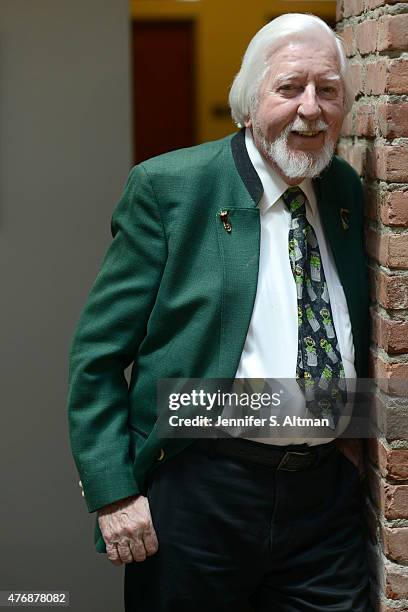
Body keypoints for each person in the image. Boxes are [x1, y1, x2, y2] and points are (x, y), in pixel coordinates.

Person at [68, 12, 371, 611]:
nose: (311, 109)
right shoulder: (170, 188)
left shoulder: (342, 191)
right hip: (202, 490)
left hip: (323, 505)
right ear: (248, 100)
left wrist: (351, 429)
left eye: (328, 90)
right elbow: (98, 358)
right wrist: (112, 493)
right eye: (289, 88)